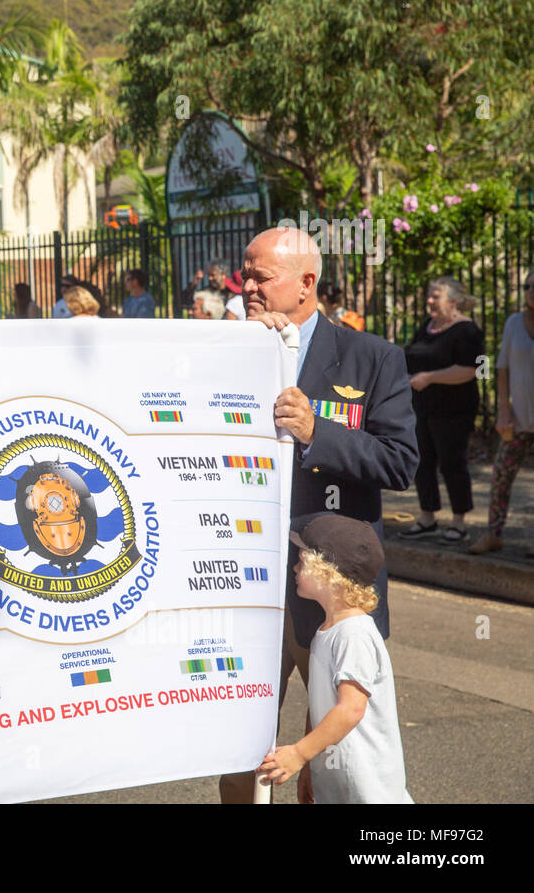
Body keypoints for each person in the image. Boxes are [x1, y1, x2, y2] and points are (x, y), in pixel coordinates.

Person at [220, 225, 417, 804]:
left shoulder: (373, 357)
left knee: (327, 752)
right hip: (242, 580)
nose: (248, 286)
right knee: (237, 747)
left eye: (262, 276)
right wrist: (237, 354)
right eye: (246, 273)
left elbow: (400, 462)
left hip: (325, 585)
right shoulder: (225, 350)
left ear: (307, 283)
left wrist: (316, 433)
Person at [257, 514, 412, 803]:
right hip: (343, 784)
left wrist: (299, 754)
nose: (294, 566)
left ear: (329, 574)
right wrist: (312, 770)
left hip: (369, 790)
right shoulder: (328, 630)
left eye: (302, 561)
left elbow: (350, 710)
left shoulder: (353, 634)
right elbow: (322, 708)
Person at [399, 277, 484, 543]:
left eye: (436, 296)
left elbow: (472, 370)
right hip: (423, 408)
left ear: (454, 301)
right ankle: (428, 518)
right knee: (422, 462)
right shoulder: (427, 327)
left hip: (454, 411)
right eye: (429, 296)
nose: (430, 301)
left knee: (452, 463)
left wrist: (430, 377)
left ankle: (459, 522)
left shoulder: (468, 331)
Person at [470, 269, 534, 557]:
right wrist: (503, 412)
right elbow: (502, 369)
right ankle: (494, 534)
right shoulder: (514, 323)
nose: (531, 290)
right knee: (501, 476)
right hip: (518, 418)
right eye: (528, 285)